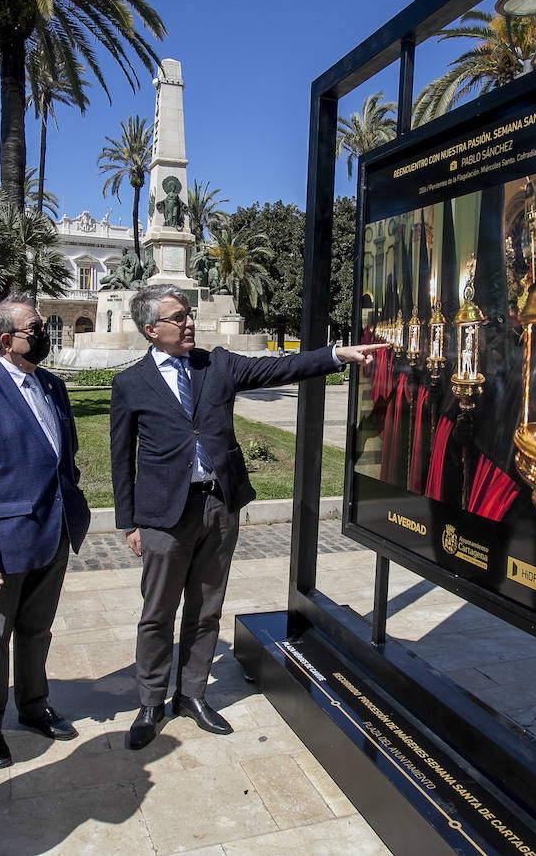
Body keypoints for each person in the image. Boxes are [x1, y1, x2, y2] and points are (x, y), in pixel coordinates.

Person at [110, 284, 387, 749]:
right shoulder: (130, 383)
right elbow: (121, 457)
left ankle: (193, 693)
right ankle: (152, 700)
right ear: (151, 329)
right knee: (157, 612)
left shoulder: (216, 364)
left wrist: (337, 354)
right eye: (178, 318)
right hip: (163, 516)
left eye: (189, 315)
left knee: (207, 607)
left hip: (218, 505)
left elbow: (280, 366)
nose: (189, 323)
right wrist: (129, 523)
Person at [0, 294, 91, 769]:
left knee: (37, 631)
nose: (44, 333)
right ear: (6, 341)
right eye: (36, 328)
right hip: (5, 544)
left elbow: (60, 457)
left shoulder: (52, 385)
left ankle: (33, 705)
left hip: (55, 531)